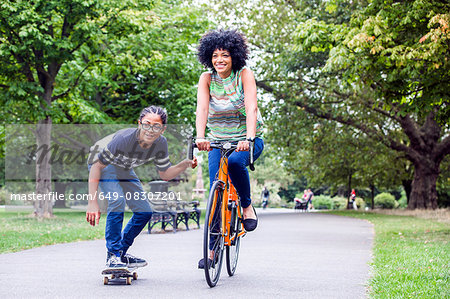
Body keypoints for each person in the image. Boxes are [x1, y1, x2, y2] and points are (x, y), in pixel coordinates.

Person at [86, 105, 197, 270]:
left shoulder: (160, 144)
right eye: (146, 124)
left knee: (145, 212)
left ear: (163, 129)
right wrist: (92, 202)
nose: (150, 129)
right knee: (117, 200)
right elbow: (97, 166)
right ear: (139, 124)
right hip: (101, 165)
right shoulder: (124, 139)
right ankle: (113, 254)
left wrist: (184, 164)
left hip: (124, 168)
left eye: (156, 126)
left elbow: (165, 174)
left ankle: (120, 253)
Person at [195, 29, 264, 268]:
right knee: (217, 189)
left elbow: (252, 107)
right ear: (208, 58)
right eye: (215, 56)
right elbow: (202, 110)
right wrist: (201, 137)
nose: (219, 60)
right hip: (218, 140)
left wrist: (249, 137)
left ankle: (246, 206)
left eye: (224, 55)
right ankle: (212, 251)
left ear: (234, 56)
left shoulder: (244, 74)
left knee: (235, 163)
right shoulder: (206, 79)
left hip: (247, 138)